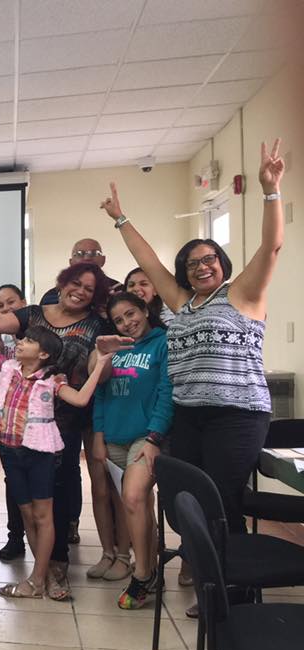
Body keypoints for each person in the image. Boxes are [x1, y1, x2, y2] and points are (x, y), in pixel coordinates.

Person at [98, 139, 285, 537]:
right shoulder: (180, 302)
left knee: (220, 501)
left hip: (237, 414)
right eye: (191, 263)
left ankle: (232, 591)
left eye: (208, 259)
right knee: (182, 504)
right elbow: (147, 259)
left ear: (221, 263)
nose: (201, 267)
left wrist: (271, 191)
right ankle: (209, 583)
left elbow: (271, 247)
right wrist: (120, 218)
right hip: (188, 415)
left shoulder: (242, 294)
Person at [0, 262, 113, 601]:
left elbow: (87, 387)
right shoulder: (14, 357)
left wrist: (102, 360)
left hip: (55, 432)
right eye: (77, 283)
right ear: (62, 282)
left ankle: (53, 572)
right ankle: (39, 572)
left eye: (90, 289)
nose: (81, 291)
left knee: (52, 506)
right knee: (27, 507)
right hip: (12, 438)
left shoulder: (61, 369)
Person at [0, 327, 111, 598]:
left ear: (43, 353)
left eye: (28, 341)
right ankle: (43, 575)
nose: (20, 343)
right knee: (27, 514)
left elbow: (81, 398)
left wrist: (100, 364)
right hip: (10, 451)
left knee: (43, 515)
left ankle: (37, 579)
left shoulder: (53, 379)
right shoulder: (10, 369)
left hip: (39, 454)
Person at [91, 292, 172, 609]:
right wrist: (99, 435)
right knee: (140, 506)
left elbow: (167, 391)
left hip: (146, 436)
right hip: (114, 437)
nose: (127, 322)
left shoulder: (163, 342)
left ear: (144, 310)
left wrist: (154, 438)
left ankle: (141, 575)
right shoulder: (116, 347)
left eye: (131, 314)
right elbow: (101, 392)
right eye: (119, 320)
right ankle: (152, 571)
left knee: (134, 497)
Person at [40, 239, 122, 305]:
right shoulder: (51, 296)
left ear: (103, 260)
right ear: (71, 262)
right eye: (80, 254)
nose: (87, 258)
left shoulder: (118, 290)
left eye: (94, 253)